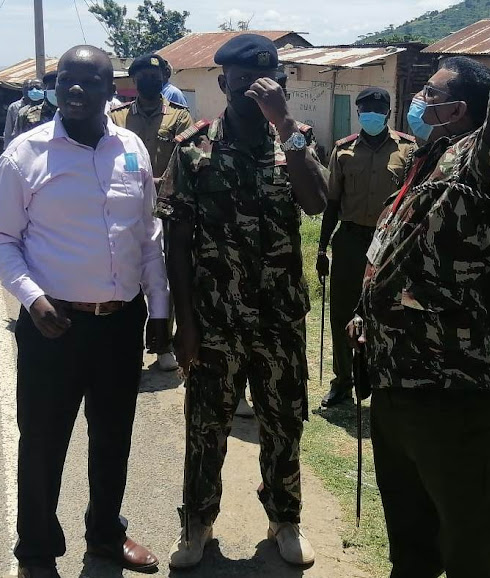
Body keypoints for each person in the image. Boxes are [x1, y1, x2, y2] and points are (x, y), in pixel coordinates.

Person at [348, 13, 490, 578]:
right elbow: (400, 249)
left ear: (458, 110)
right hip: (397, 381)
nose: (416, 100)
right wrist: (367, 314)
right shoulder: (431, 156)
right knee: (411, 541)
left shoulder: (489, 166)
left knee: (466, 547)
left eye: (430, 93)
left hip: (455, 388)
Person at [0, 45, 164, 578]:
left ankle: (106, 533)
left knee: (113, 436)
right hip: (52, 324)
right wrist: (32, 299)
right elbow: (0, 239)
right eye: (67, 79)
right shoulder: (26, 154)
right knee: (43, 442)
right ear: (55, 86)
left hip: (121, 322)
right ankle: (36, 551)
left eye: (89, 80)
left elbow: (148, 233)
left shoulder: (132, 148)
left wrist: (159, 306)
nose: (76, 89)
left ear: (112, 89)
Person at [157, 34, 327, 569]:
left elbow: (317, 201)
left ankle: (285, 519)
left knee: (283, 423)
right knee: (206, 426)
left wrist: (285, 126)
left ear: (279, 81)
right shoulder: (194, 149)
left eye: (267, 77)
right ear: (222, 82)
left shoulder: (295, 141)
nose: (254, 86)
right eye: (240, 78)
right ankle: (197, 524)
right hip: (214, 322)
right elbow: (177, 243)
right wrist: (184, 325)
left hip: (279, 319)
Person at [316, 87, 415, 407]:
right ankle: (343, 380)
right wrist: (321, 249)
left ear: (387, 112)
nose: (370, 114)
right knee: (343, 312)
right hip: (350, 240)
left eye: (377, 109)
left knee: (388, 312)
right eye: (365, 109)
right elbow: (332, 203)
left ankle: (383, 380)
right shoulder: (343, 150)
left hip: (389, 243)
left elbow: (413, 202)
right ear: (359, 113)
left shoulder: (408, 150)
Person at [111, 54, 193, 371]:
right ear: (134, 80)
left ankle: (163, 344)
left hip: (167, 206)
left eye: (155, 75)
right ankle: (128, 341)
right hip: (126, 207)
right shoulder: (116, 117)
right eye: (143, 74)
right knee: (126, 269)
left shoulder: (180, 117)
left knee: (167, 274)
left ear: (164, 79)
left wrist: (159, 181)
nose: (149, 79)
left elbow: (187, 158)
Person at [14, 71, 58, 137]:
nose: (55, 92)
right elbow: (18, 138)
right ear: (45, 90)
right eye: (52, 88)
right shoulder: (28, 113)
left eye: (57, 88)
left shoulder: (72, 113)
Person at [4, 79, 43, 147]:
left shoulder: (50, 109)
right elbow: (12, 132)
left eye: (38, 88)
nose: (34, 91)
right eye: (30, 88)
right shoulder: (22, 111)